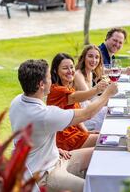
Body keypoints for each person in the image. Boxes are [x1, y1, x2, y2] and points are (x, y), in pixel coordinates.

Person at [9, 59, 117, 191]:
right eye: (49, 78)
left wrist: (54, 149)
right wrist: (107, 93)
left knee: (101, 151)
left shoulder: (17, 101)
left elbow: (31, 136)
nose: (52, 81)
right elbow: (87, 114)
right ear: (41, 84)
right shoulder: (44, 114)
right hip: (44, 175)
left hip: (55, 158)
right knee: (93, 188)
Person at [47, 53, 108, 151]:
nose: (70, 71)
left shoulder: (67, 87)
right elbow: (77, 97)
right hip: (65, 139)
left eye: (71, 67)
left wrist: (87, 133)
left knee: (104, 138)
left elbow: (77, 118)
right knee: (106, 141)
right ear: (55, 70)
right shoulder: (57, 90)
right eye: (65, 68)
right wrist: (100, 90)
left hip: (75, 134)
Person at [74, 45, 109, 130]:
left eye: (97, 57)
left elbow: (110, 71)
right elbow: (88, 96)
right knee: (110, 115)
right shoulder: (78, 74)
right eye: (90, 56)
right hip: (82, 116)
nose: (94, 60)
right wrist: (101, 90)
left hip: (89, 108)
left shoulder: (90, 72)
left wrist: (125, 71)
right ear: (83, 58)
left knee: (112, 107)